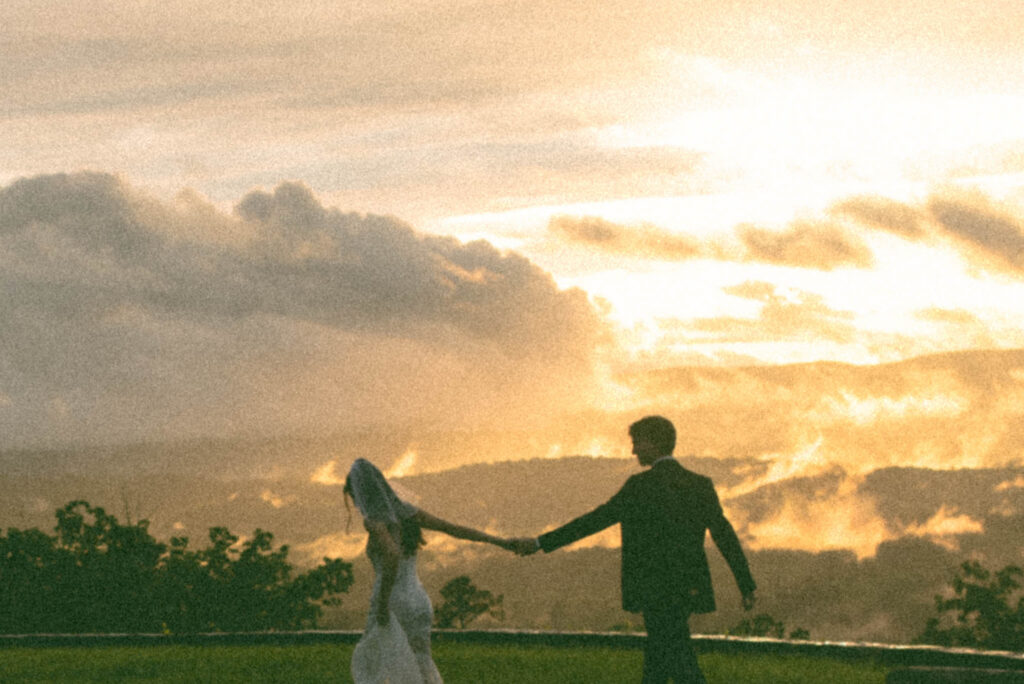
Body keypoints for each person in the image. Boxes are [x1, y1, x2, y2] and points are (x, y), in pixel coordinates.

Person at [512, 415, 757, 683]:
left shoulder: (639, 487)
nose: (633, 450)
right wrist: (745, 584)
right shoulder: (700, 486)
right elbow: (725, 537)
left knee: (674, 658)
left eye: (637, 442)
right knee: (664, 655)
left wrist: (539, 543)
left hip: (651, 586)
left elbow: (593, 521)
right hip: (688, 586)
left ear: (654, 443)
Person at [345, 458, 517, 684]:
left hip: (392, 602)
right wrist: (502, 542)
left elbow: (391, 555)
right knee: (420, 662)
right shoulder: (408, 514)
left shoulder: (374, 523)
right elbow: (453, 529)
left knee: (371, 666)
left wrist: (383, 603)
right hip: (418, 602)